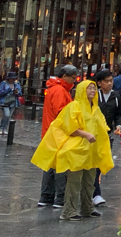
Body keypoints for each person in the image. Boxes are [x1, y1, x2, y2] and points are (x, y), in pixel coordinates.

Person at [31, 79, 114, 222]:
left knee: (90, 180)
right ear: (82, 90)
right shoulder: (74, 106)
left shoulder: (95, 108)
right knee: (74, 182)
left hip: (91, 151)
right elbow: (69, 127)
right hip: (76, 150)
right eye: (89, 89)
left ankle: (87, 208)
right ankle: (69, 211)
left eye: (94, 89)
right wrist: (85, 134)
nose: (92, 91)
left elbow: (101, 125)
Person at [37, 66, 76, 208]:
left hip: (49, 132)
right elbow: (62, 113)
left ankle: (46, 196)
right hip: (57, 134)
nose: (74, 80)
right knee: (60, 166)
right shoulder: (60, 91)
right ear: (65, 76)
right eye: (73, 77)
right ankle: (60, 197)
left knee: (50, 165)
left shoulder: (55, 89)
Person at [92, 68, 121, 206]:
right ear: (99, 83)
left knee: (101, 162)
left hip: (107, 134)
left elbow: (119, 113)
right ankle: (94, 193)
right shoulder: (94, 96)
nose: (110, 83)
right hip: (92, 134)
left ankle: (95, 192)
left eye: (111, 81)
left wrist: (118, 125)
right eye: (107, 81)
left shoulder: (115, 96)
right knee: (92, 163)